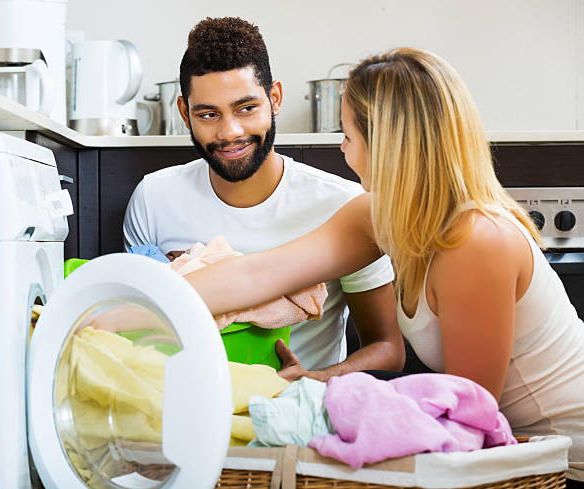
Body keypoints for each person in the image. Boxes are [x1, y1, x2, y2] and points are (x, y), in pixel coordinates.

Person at [185, 47, 584, 486]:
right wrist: (133, 299)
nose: (343, 151)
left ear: (388, 147)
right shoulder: (381, 215)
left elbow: (469, 416)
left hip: (560, 464)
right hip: (517, 458)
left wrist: (333, 398)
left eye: (347, 136)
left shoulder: (477, 242)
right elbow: (258, 275)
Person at [123, 17, 404, 381]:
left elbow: (388, 349)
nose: (230, 132)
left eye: (246, 108)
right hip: (187, 402)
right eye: (208, 114)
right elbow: (142, 334)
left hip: (307, 416)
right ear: (184, 113)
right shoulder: (153, 198)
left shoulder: (344, 204)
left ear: (274, 99)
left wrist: (314, 380)